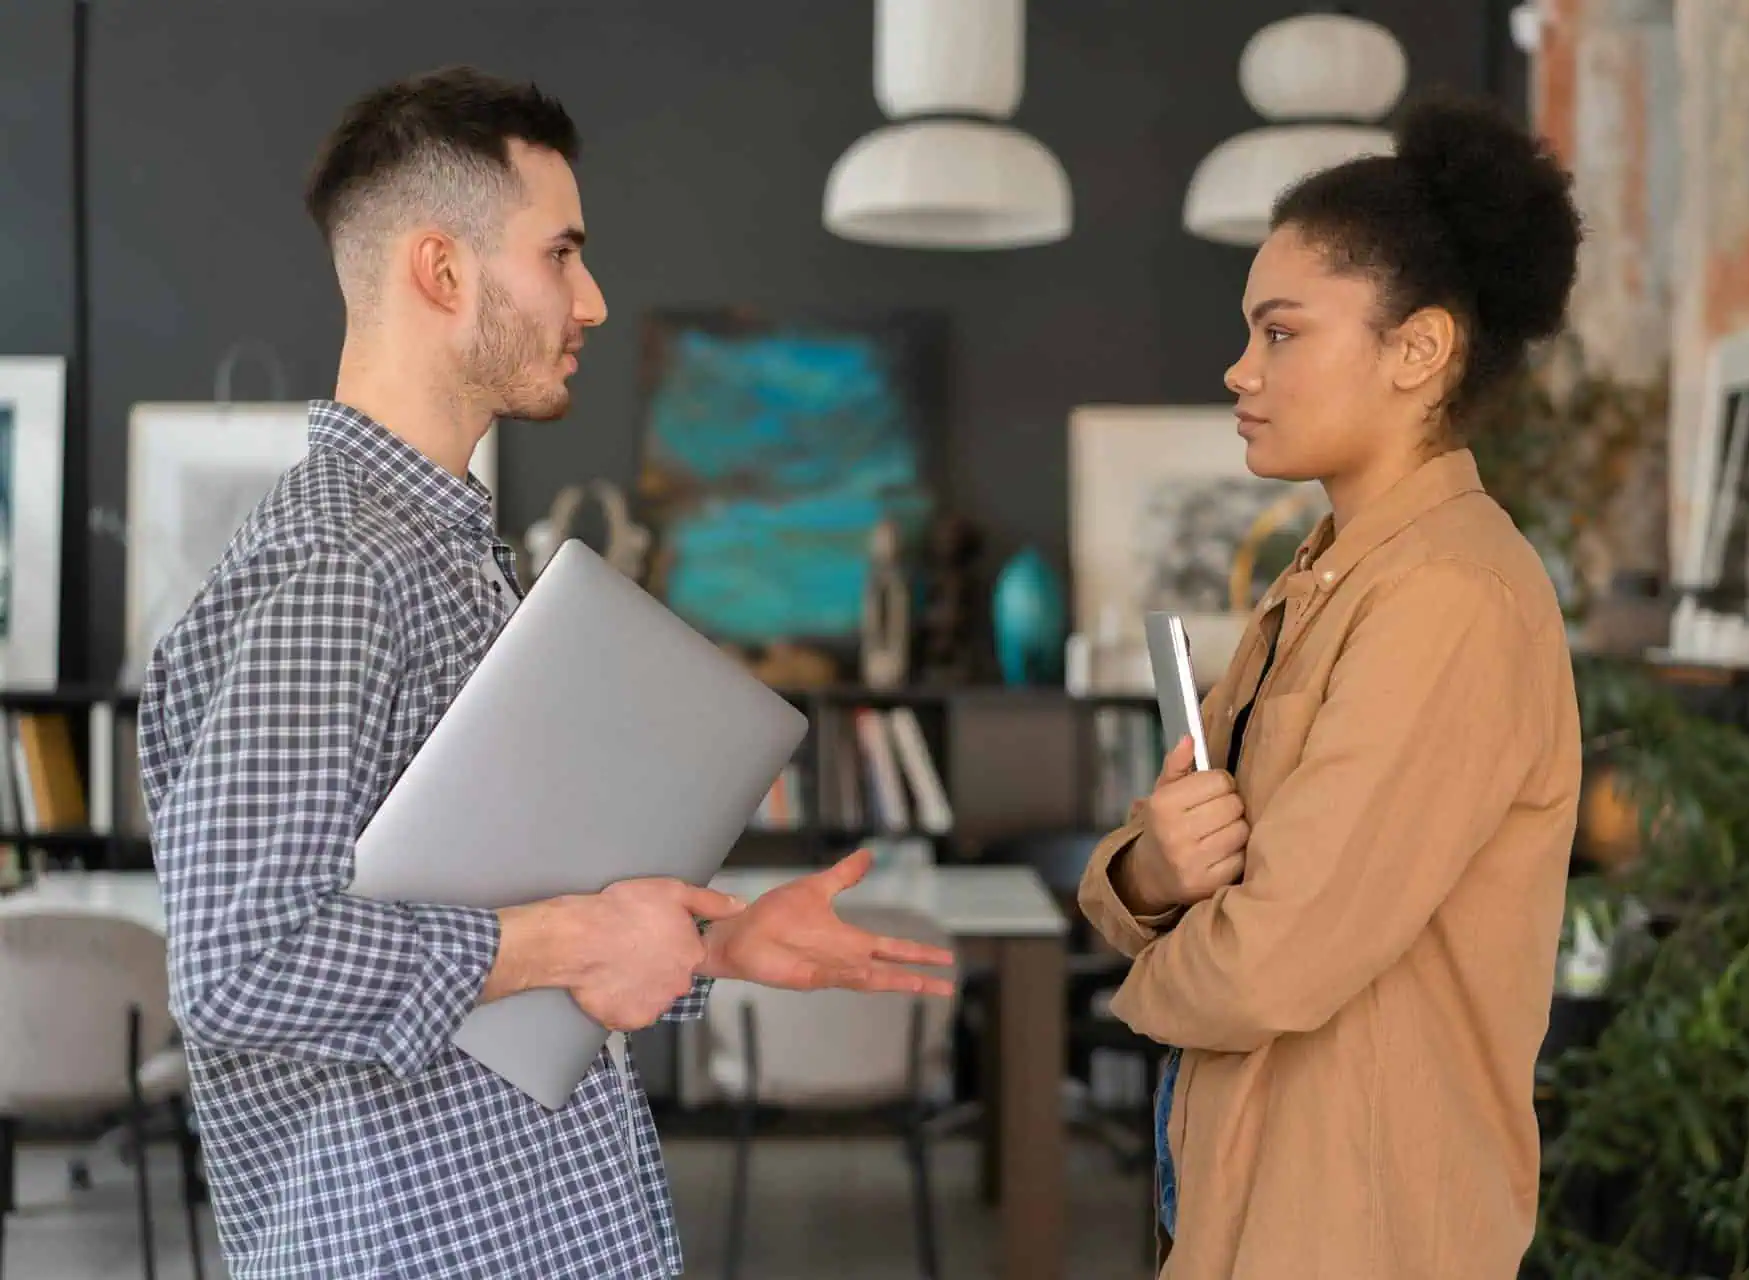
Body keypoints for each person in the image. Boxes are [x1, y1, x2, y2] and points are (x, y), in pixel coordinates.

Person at [138, 66, 952, 1280]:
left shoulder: (450, 552)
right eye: (561, 253)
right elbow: (244, 959)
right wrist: (575, 938)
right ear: (442, 270)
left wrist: (708, 942)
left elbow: (479, 888)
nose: (595, 299)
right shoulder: (336, 569)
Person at [1077, 94, 1586, 1279]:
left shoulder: (1452, 598)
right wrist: (1154, 866)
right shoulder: (1325, 574)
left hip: (1361, 1225)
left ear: (1418, 349)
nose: (1240, 367)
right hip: (1253, 1186)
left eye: (1282, 332)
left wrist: (1133, 982)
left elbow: (1273, 957)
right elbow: (1206, 870)